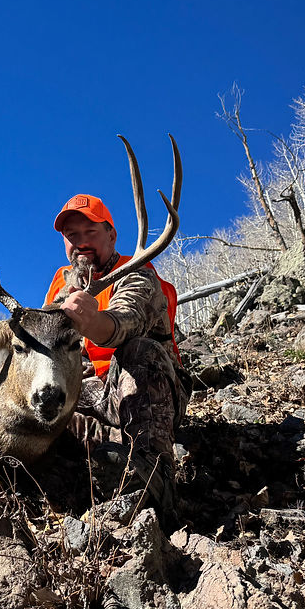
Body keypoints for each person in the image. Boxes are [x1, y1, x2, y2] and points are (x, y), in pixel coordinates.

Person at [44, 193, 191, 515]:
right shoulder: (60, 284)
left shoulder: (137, 272)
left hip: (149, 392)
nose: (81, 243)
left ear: (111, 235)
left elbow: (127, 321)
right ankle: (110, 446)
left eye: (90, 232)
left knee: (140, 349)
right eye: (72, 236)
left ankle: (153, 473)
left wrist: (94, 320)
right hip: (90, 393)